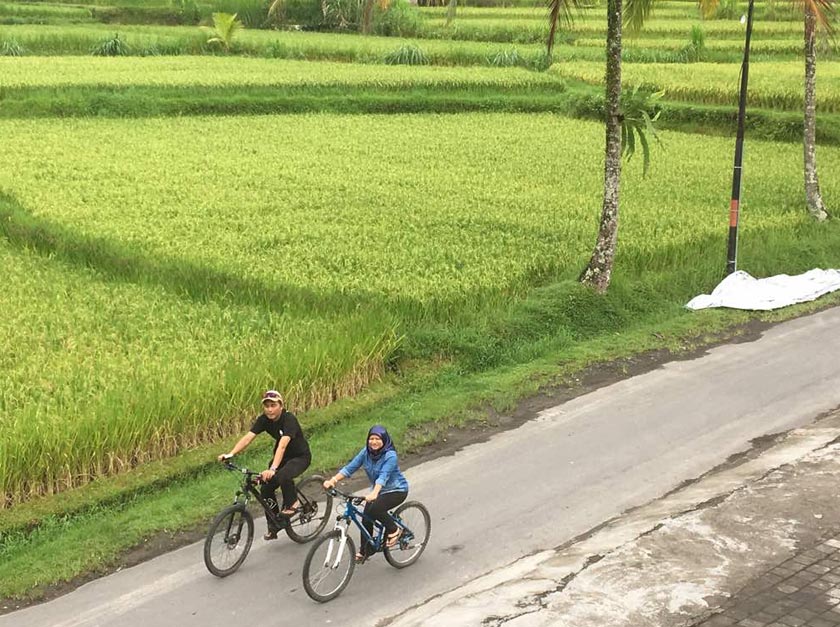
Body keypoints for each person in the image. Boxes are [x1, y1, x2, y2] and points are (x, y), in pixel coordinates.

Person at [219, 390, 311, 540]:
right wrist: (231, 454)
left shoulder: (289, 419)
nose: (269, 409)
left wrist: (273, 469)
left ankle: (293, 503)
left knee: (283, 475)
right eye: (267, 406)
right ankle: (274, 524)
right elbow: (248, 438)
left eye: (273, 405)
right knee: (265, 488)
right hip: (281, 458)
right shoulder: (264, 420)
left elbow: (282, 445)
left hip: (300, 456)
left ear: (281, 405)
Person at [323, 425, 408, 561]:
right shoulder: (366, 452)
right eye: (371, 438)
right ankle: (366, 550)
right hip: (378, 491)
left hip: (396, 490)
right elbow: (351, 467)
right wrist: (333, 480)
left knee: (376, 508)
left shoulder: (390, 455)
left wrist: (374, 493)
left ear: (384, 440)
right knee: (366, 515)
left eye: (377, 439)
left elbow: (383, 476)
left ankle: (394, 530)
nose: (373, 442)